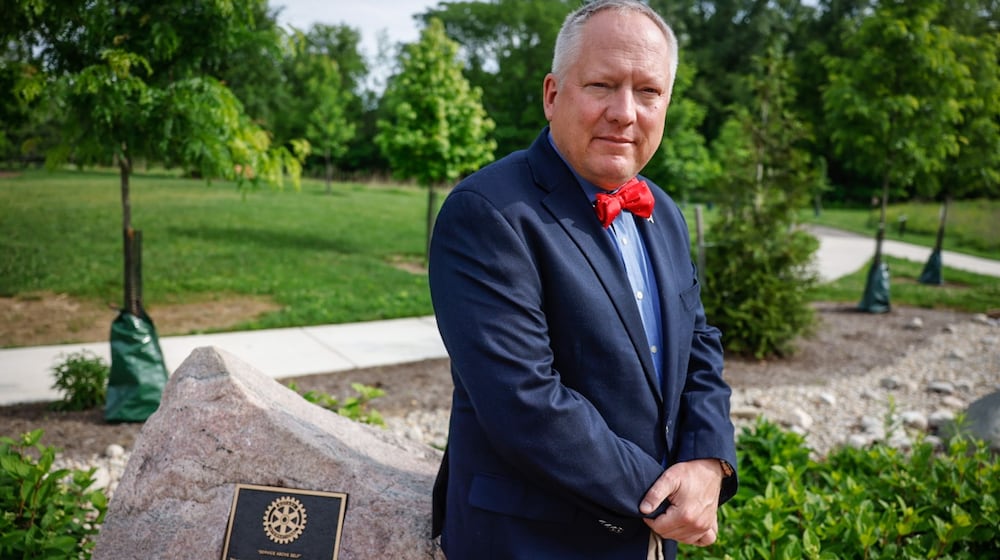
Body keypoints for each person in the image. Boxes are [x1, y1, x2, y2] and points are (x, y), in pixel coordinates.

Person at [428, 1, 738, 558]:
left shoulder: (663, 211)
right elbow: (525, 403)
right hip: (530, 541)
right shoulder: (488, 213)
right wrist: (668, 499)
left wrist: (709, 462)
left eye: (648, 92)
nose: (625, 112)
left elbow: (697, 345)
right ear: (552, 94)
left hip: (648, 540)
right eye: (601, 85)